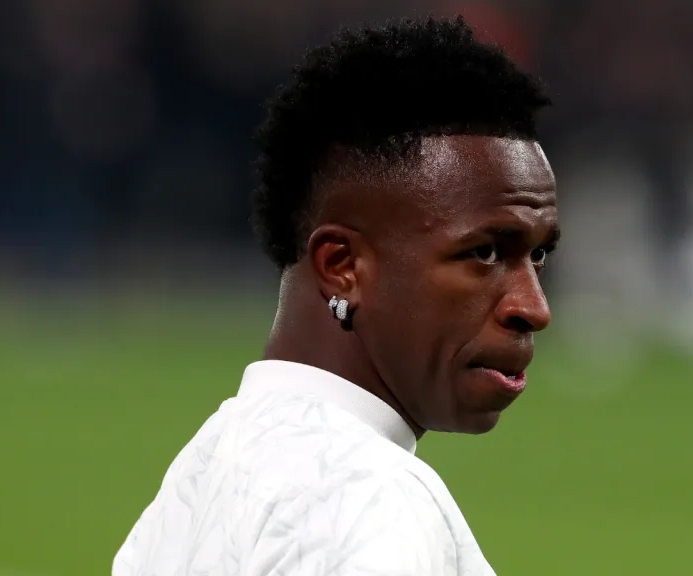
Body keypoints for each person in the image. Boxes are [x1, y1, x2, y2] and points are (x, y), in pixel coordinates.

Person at [113, 16, 558, 576]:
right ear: (342, 266)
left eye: (538, 255)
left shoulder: (203, 471)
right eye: (487, 253)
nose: (533, 308)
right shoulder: (366, 500)